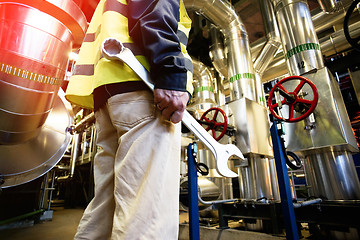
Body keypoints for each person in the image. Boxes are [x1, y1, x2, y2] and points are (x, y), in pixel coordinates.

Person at [65, 0, 193, 239]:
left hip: (110, 91)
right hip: (143, 87)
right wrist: (171, 73)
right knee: (146, 214)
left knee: (105, 207)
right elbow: (154, 13)